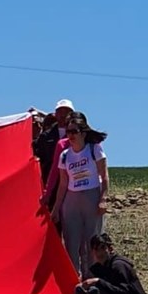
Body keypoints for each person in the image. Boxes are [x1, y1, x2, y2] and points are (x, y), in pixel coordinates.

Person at [51, 113, 109, 277]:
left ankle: (91, 278)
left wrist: (103, 198)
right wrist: (56, 209)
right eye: (68, 131)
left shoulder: (94, 149)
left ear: (83, 133)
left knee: (90, 243)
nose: (70, 135)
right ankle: (73, 280)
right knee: (72, 243)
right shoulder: (65, 155)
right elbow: (62, 184)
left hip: (91, 197)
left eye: (74, 131)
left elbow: (104, 176)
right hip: (71, 201)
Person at [34, 98, 75, 187]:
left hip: (73, 179)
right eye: (60, 111)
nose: (63, 115)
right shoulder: (45, 136)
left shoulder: (79, 133)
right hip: (51, 182)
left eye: (66, 111)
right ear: (56, 114)